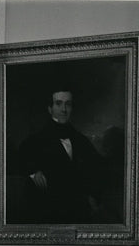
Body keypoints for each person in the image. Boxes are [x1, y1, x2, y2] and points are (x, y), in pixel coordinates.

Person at [14, 88, 106, 224]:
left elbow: (97, 168)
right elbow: (19, 161)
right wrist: (33, 172)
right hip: (48, 213)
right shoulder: (35, 141)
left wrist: (93, 196)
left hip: (79, 214)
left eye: (68, 104)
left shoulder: (81, 140)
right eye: (58, 103)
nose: (64, 109)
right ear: (50, 109)